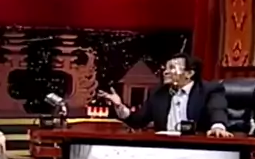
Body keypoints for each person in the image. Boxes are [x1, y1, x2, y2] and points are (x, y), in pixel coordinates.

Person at [99, 53, 233, 137]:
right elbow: (138, 121)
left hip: (197, 149)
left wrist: (217, 127)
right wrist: (120, 107)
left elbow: (217, 110)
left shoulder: (209, 90)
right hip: (165, 148)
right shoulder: (158, 93)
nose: (165, 72)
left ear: (189, 73)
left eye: (172, 68)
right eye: (166, 68)